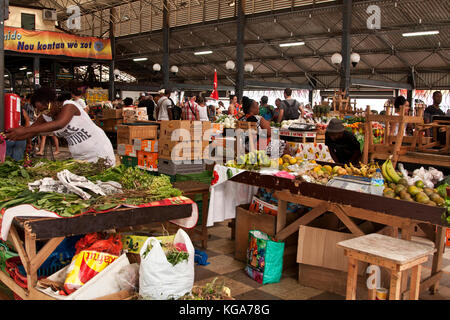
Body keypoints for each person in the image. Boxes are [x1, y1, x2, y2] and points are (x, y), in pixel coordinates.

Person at [5, 88, 116, 166]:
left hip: (99, 151)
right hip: (79, 156)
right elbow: (31, 133)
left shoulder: (69, 106)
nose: (43, 112)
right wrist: (11, 136)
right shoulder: (46, 116)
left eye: (44, 108)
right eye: (39, 110)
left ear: (51, 102)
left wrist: (25, 129)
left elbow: (59, 123)